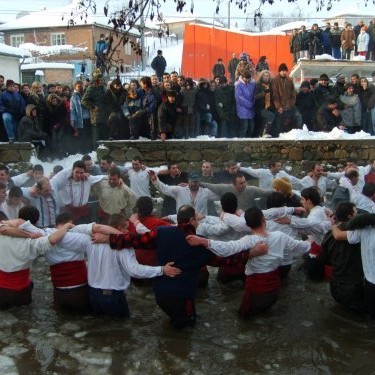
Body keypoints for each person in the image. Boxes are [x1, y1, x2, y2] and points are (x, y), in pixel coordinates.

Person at [104, 205, 253, 328]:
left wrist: (109, 238)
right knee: (185, 329)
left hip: (160, 294)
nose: (198, 221)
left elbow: (137, 240)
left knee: (177, 323)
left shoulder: (162, 232)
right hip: (180, 297)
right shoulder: (198, 244)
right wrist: (249, 254)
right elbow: (223, 260)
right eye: (196, 218)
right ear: (191, 220)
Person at [187, 206, 310, 318]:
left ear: (247, 225)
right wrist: (312, 240)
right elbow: (302, 247)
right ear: (264, 220)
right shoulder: (280, 236)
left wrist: (205, 242)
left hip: (257, 291)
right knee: (266, 318)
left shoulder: (249, 241)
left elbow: (227, 248)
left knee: (243, 320)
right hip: (275, 290)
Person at [0, 214, 74, 309]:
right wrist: (67, 226)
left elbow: (4, 229)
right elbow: (52, 239)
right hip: (20, 292)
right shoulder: (31, 242)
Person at [320, 202, 364, 312]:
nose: (358, 215)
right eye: (356, 213)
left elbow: (324, 260)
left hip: (334, 287)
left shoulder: (329, 234)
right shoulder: (360, 234)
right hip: (355, 288)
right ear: (350, 217)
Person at [331, 212, 375, 318]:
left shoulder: (364, 230)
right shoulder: (364, 230)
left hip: (370, 283)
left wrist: (333, 226)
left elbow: (337, 235)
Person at [151, 170, 219, 216]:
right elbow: (165, 188)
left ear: (200, 181)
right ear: (188, 180)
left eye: (196, 181)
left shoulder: (205, 192)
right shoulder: (179, 190)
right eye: (191, 181)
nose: (193, 183)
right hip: (183, 224)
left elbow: (220, 195)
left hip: (201, 225)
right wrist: (155, 180)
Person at [201, 173, 273, 210]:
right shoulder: (225, 188)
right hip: (234, 219)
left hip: (250, 218)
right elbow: (209, 185)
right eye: (241, 183)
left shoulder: (252, 190)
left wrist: (280, 191)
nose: (244, 184)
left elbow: (265, 192)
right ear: (234, 184)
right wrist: (197, 183)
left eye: (245, 182)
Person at [271, 63, 301, 136]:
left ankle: (298, 133)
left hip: (289, 105)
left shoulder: (289, 80)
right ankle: (277, 136)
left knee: (296, 116)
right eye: (282, 71)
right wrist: (278, 107)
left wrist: (291, 104)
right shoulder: (275, 80)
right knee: (278, 121)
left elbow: (293, 94)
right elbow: (274, 95)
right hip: (279, 106)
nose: (284, 72)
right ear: (279, 71)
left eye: (285, 71)